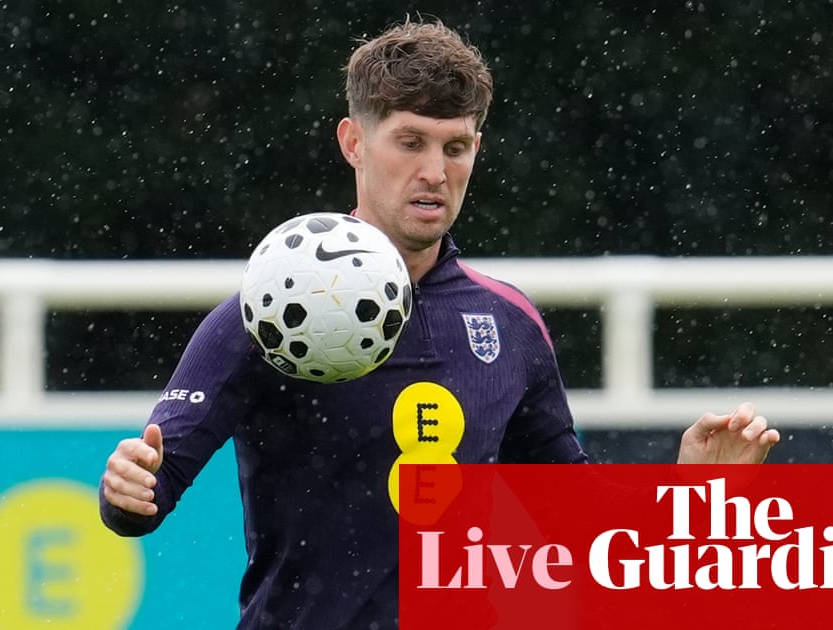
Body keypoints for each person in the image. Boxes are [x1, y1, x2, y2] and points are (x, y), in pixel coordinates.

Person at [99, 18, 780, 629]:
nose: (434, 172)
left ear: (477, 148)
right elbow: (147, 492)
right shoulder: (273, 309)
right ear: (353, 142)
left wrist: (691, 495)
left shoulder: (509, 323)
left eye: (455, 147)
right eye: (410, 142)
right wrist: (129, 487)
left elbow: (573, 517)